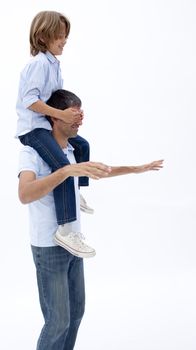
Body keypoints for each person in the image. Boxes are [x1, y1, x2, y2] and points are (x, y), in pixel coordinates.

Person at [18, 89, 163, 350]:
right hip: (49, 247)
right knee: (58, 321)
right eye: (72, 114)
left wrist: (137, 168)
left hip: (73, 242)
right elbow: (25, 194)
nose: (78, 120)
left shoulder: (73, 150)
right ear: (54, 117)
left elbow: (102, 170)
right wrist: (65, 172)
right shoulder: (32, 153)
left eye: (80, 113)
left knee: (75, 315)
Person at [15, 10, 94, 257]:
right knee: (62, 168)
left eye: (65, 37)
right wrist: (60, 116)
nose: (63, 41)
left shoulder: (54, 65)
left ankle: (75, 190)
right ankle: (66, 229)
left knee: (82, 146)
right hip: (34, 129)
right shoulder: (39, 64)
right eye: (59, 36)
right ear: (43, 36)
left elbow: (57, 99)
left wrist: (71, 113)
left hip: (47, 125)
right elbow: (30, 100)